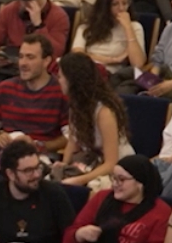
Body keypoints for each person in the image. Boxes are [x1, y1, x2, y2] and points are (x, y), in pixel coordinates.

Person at [55, 52, 132, 187]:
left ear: (72, 80)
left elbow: (111, 163)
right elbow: (73, 141)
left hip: (116, 169)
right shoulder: (75, 104)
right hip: (90, 162)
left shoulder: (104, 112)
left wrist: (80, 180)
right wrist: (63, 165)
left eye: (61, 76)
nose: (58, 80)